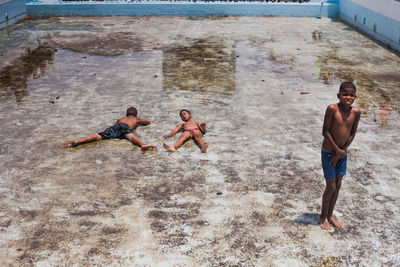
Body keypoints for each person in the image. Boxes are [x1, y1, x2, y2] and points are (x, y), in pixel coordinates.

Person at [319, 82, 361, 230]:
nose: (348, 97)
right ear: (339, 95)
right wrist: (337, 151)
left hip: (343, 153)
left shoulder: (356, 112)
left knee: (338, 185)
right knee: (330, 186)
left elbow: (352, 134)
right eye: (344, 94)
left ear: (355, 97)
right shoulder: (332, 109)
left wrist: (342, 152)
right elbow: (325, 132)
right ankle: (323, 216)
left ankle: (330, 214)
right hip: (329, 152)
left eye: (351, 95)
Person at [63, 107, 157, 151]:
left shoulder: (121, 119)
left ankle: (78, 141)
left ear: (126, 114)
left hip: (115, 127)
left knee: (98, 136)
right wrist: (140, 121)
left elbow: (117, 123)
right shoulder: (136, 119)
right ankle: (142, 145)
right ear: (136, 114)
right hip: (125, 128)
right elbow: (148, 122)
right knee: (131, 137)